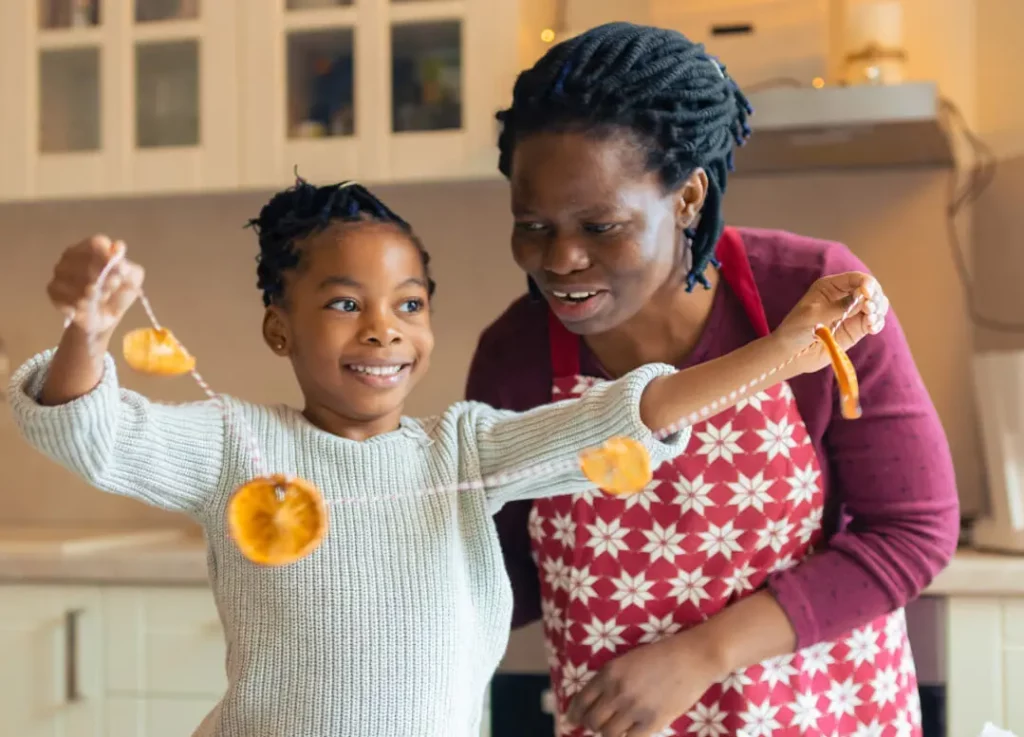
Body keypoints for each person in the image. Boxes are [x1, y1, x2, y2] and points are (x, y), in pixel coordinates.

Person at [8, 180, 883, 737]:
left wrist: (782, 355)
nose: (384, 327)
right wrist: (88, 330)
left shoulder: (465, 449)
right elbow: (92, 430)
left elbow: (623, 420)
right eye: (345, 302)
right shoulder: (233, 443)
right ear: (280, 326)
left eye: (409, 302)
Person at [466, 22, 959, 737]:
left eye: (600, 226)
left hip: (823, 715)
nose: (561, 259)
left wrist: (701, 653)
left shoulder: (811, 298)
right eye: (533, 226)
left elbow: (915, 529)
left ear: (689, 197)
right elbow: (496, 580)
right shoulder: (515, 357)